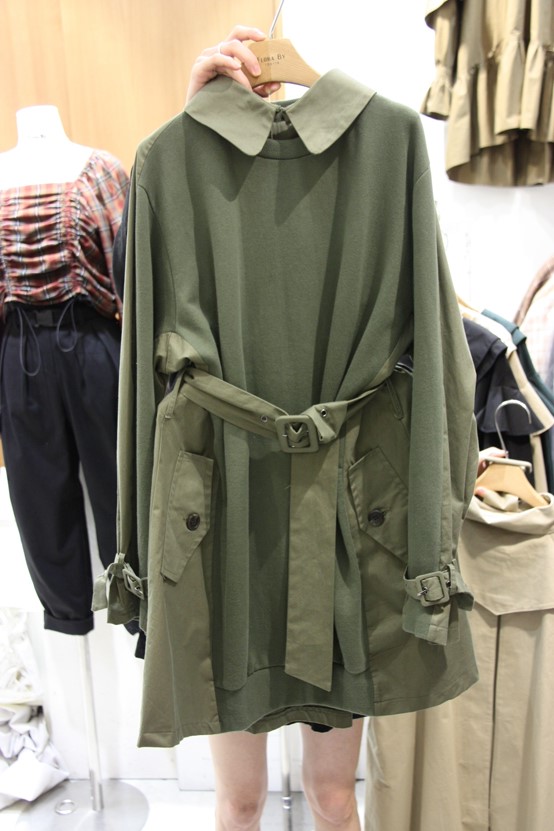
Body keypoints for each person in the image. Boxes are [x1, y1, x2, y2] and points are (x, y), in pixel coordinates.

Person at [189, 26, 364, 831]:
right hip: (227, 518)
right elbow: (136, 302)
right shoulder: (178, 164)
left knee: (332, 794)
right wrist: (195, 120)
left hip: (335, 521)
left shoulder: (378, 152)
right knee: (240, 798)